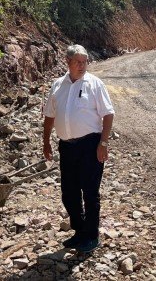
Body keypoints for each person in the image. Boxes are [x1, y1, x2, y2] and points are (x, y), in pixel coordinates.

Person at [42, 44, 115, 253]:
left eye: (85, 62)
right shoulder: (58, 85)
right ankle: (79, 231)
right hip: (66, 147)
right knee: (69, 192)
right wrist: (46, 141)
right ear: (68, 62)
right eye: (78, 62)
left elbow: (108, 114)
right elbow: (49, 116)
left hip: (90, 145)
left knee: (90, 192)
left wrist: (103, 143)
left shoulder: (95, 84)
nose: (82, 66)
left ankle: (91, 236)